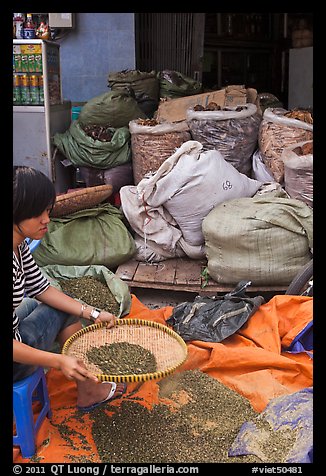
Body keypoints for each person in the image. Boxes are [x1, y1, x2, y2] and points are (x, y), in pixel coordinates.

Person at [13, 166, 126, 412]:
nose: (47, 220)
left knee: (41, 303)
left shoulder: (18, 245)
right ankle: (89, 390)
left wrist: (93, 313)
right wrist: (58, 360)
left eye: (47, 211)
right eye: (37, 214)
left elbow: (41, 288)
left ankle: (85, 383)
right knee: (60, 311)